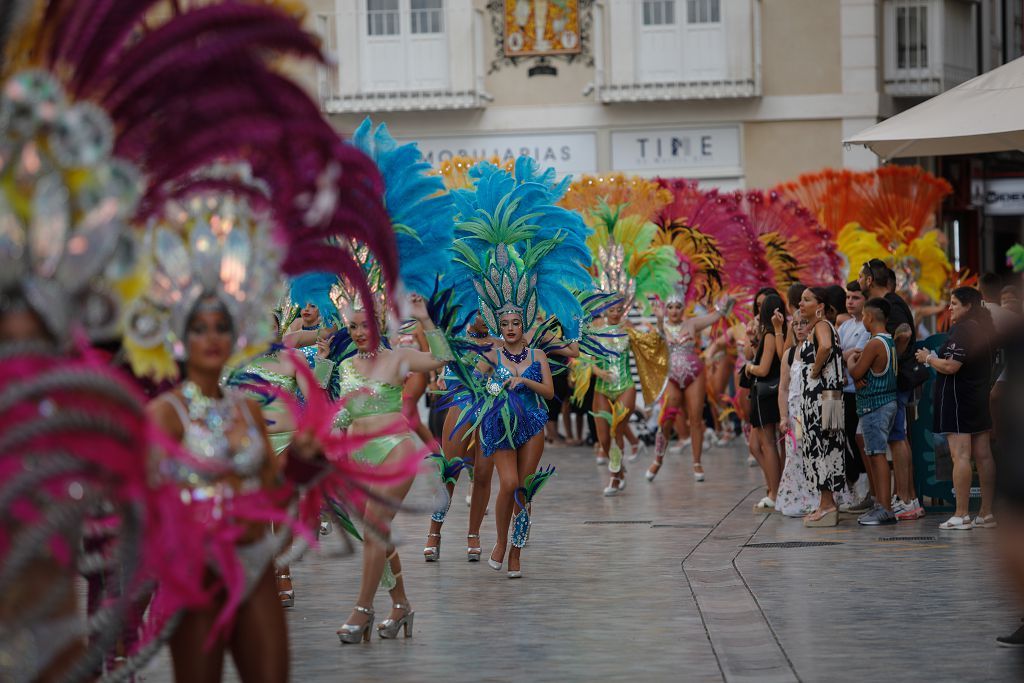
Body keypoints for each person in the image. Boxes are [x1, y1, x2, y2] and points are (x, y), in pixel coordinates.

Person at [335, 296, 451, 642]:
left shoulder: (399, 358)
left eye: (365, 325)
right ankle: (400, 606)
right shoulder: (344, 367)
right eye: (352, 326)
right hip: (359, 460)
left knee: (374, 529)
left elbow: (441, 357)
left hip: (394, 451)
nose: (358, 332)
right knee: (379, 538)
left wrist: (425, 320)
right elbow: (344, 414)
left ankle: (362, 610)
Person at [915, 287, 996, 530]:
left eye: (954, 303)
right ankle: (986, 513)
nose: (949, 308)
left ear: (969, 305)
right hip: (978, 397)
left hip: (959, 399)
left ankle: (961, 514)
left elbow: (951, 366)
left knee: (960, 455)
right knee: (983, 455)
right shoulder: (985, 329)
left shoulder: (963, 330)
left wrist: (928, 358)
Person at [859, 259, 924, 520]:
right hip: (895, 381)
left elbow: (904, 334)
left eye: (861, 276)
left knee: (897, 437)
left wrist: (886, 363)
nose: (859, 280)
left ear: (870, 280)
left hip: (894, 383)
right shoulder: (893, 302)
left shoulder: (892, 304)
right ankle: (906, 498)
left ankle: (907, 499)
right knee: (898, 436)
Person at [648, 290, 733, 483]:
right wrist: (660, 319)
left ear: (683, 308)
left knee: (696, 419)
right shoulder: (662, 326)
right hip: (672, 377)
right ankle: (657, 460)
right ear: (666, 310)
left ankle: (697, 462)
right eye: (670, 307)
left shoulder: (692, 324)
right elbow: (660, 331)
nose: (674, 311)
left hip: (694, 374)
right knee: (666, 419)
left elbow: (715, 317)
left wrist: (727, 300)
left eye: (678, 307)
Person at [798, 286, 848, 527]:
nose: (800, 304)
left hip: (821, 396)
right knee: (831, 445)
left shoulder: (821, 326)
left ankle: (827, 504)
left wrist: (815, 371)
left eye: (806, 300)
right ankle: (827, 502)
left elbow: (826, 347)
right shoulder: (823, 326)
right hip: (831, 397)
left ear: (819, 306)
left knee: (821, 445)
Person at [848, 298, 899, 525]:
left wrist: (851, 362)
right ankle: (880, 504)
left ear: (868, 317)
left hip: (875, 406)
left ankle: (885, 508)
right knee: (875, 454)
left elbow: (857, 372)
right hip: (884, 403)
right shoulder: (888, 340)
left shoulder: (874, 344)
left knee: (877, 456)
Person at [776, 310, 818, 517]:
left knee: (813, 454)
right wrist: (783, 416)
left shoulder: (817, 349)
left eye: (804, 323)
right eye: (796, 324)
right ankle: (797, 498)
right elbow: (783, 388)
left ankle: (815, 498)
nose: (800, 327)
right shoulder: (790, 353)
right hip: (795, 413)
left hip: (813, 410)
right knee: (795, 454)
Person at [747, 293, 786, 511]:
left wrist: (748, 368)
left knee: (768, 444)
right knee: (766, 445)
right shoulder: (771, 333)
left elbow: (762, 368)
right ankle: (775, 489)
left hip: (765, 394)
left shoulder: (771, 334)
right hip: (769, 394)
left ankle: (775, 491)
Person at [838, 281, 872, 510]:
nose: (850, 301)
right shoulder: (845, 326)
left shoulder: (867, 328)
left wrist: (844, 355)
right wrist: (844, 355)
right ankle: (857, 477)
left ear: (865, 300)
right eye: (848, 297)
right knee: (842, 436)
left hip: (858, 389)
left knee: (857, 438)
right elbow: (837, 353)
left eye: (856, 297)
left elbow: (859, 356)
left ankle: (865, 479)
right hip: (843, 389)